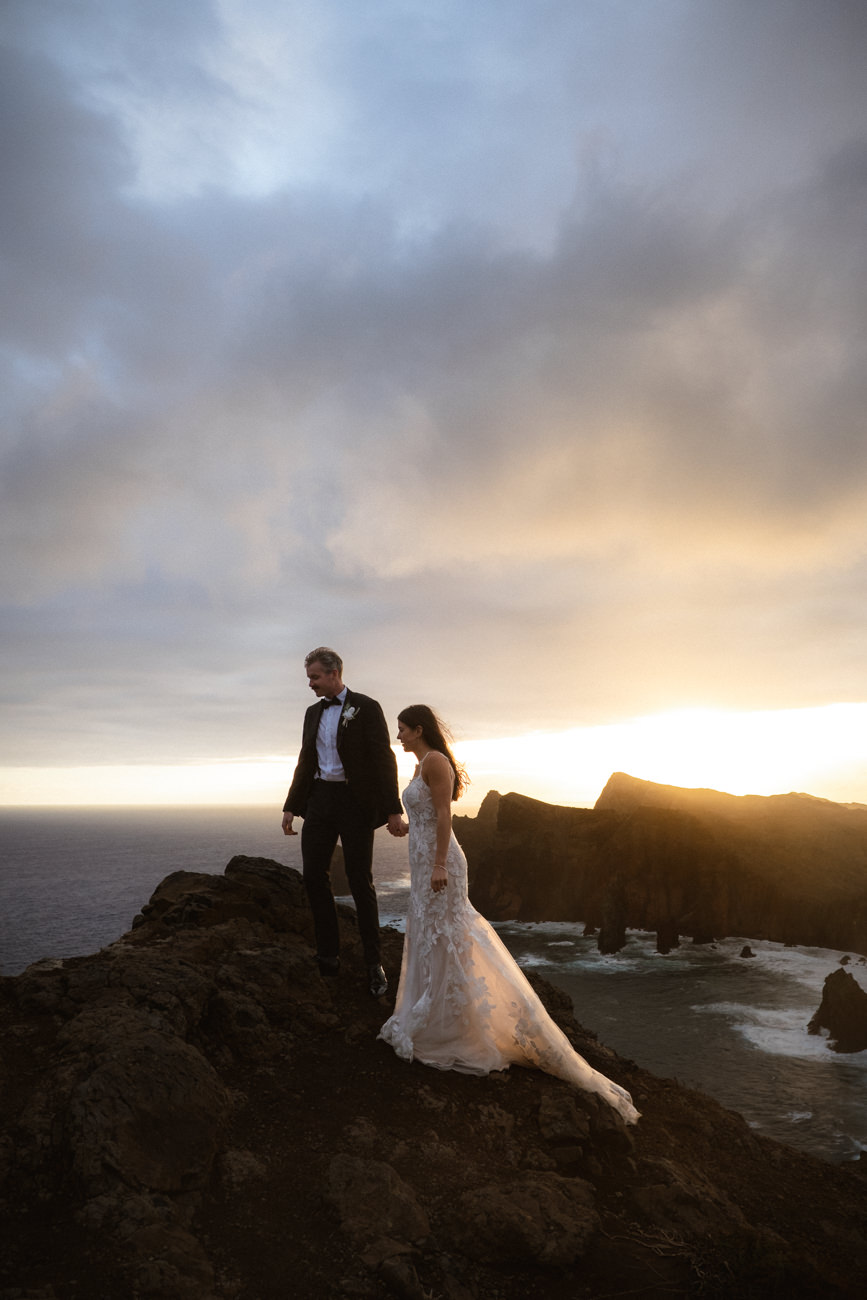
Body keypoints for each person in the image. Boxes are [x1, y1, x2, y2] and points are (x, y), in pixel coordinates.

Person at [378, 704, 639, 1123]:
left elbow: (445, 815)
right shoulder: (419, 765)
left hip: (440, 863)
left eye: (403, 730)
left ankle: (455, 1023)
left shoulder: (436, 761)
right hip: (425, 857)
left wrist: (441, 864)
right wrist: (409, 827)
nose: (399, 736)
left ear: (419, 729)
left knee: (448, 933)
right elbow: (428, 815)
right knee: (431, 933)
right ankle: (441, 1013)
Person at [282, 647, 405, 997]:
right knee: (313, 876)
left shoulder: (367, 707)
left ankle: (373, 963)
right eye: (309, 677)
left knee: (359, 879)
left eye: (315, 677)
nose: (310, 683)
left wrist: (392, 808)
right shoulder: (311, 713)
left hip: (355, 804)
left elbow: (384, 759)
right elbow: (306, 759)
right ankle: (328, 955)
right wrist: (291, 805)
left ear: (335, 674)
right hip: (320, 801)